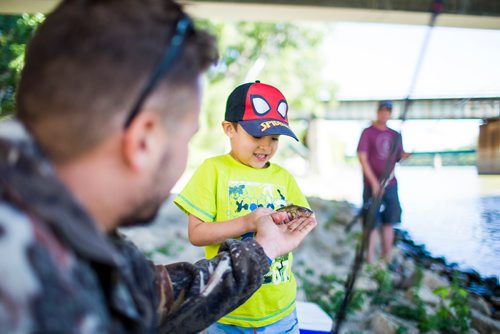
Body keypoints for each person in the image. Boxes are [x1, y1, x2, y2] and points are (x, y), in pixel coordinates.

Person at [0, 1, 317, 333]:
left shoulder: (48, 222)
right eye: (187, 137)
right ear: (143, 141)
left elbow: (146, 295)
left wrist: (263, 249)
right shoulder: (44, 295)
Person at [174, 81, 317, 333]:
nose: (265, 146)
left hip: (280, 311)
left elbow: (298, 219)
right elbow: (196, 234)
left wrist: (297, 223)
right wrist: (247, 222)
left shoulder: (283, 177)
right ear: (229, 128)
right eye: (256, 135)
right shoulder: (213, 171)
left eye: (274, 138)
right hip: (227, 311)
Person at [357, 101, 410, 264]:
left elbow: (398, 157)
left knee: (389, 221)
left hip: (390, 184)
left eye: (389, 111)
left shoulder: (395, 135)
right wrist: (374, 184)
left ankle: (386, 258)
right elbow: (362, 158)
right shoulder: (368, 132)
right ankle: (370, 259)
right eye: (383, 110)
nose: (385, 114)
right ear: (378, 112)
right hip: (371, 185)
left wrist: (404, 156)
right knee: (372, 222)